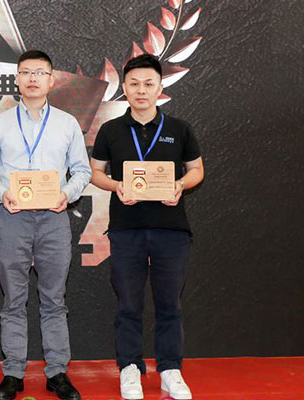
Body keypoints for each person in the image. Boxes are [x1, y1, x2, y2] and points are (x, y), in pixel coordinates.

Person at [0, 50, 91, 400]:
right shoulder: (1, 123)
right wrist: (2, 192)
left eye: (39, 73)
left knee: (54, 298)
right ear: (17, 79)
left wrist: (66, 195)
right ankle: (13, 372)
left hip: (54, 218)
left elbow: (82, 170)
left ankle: (57, 372)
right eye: (26, 72)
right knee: (14, 298)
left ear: (51, 80)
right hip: (13, 218)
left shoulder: (67, 124)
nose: (32, 79)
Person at [89, 54, 204, 400]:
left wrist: (180, 185)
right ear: (124, 88)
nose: (141, 90)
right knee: (128, 303)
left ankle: (170, 370)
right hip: (126, 229)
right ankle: (129, 368)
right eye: (134, 84)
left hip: (171, 229)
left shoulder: (179, 129)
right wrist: (116, 186)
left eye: (148, 84)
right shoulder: (110, 130)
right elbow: (95, 172)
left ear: (159, 88)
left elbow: (197, 170)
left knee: (170, 303)